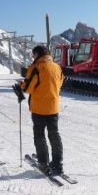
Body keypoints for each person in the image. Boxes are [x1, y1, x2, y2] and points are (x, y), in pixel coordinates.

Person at [21, 45, 64, 175]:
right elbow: (60, 83)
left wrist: (21, 85)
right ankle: (57, 164)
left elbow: (28, 88)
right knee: (54, 134)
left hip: (39, 108)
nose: (33, 57)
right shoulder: (57, 67)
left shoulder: (36, 67)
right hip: (54, 107)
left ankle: (43, 164)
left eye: (34, 55)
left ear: (38, 54)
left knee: (39, 135)